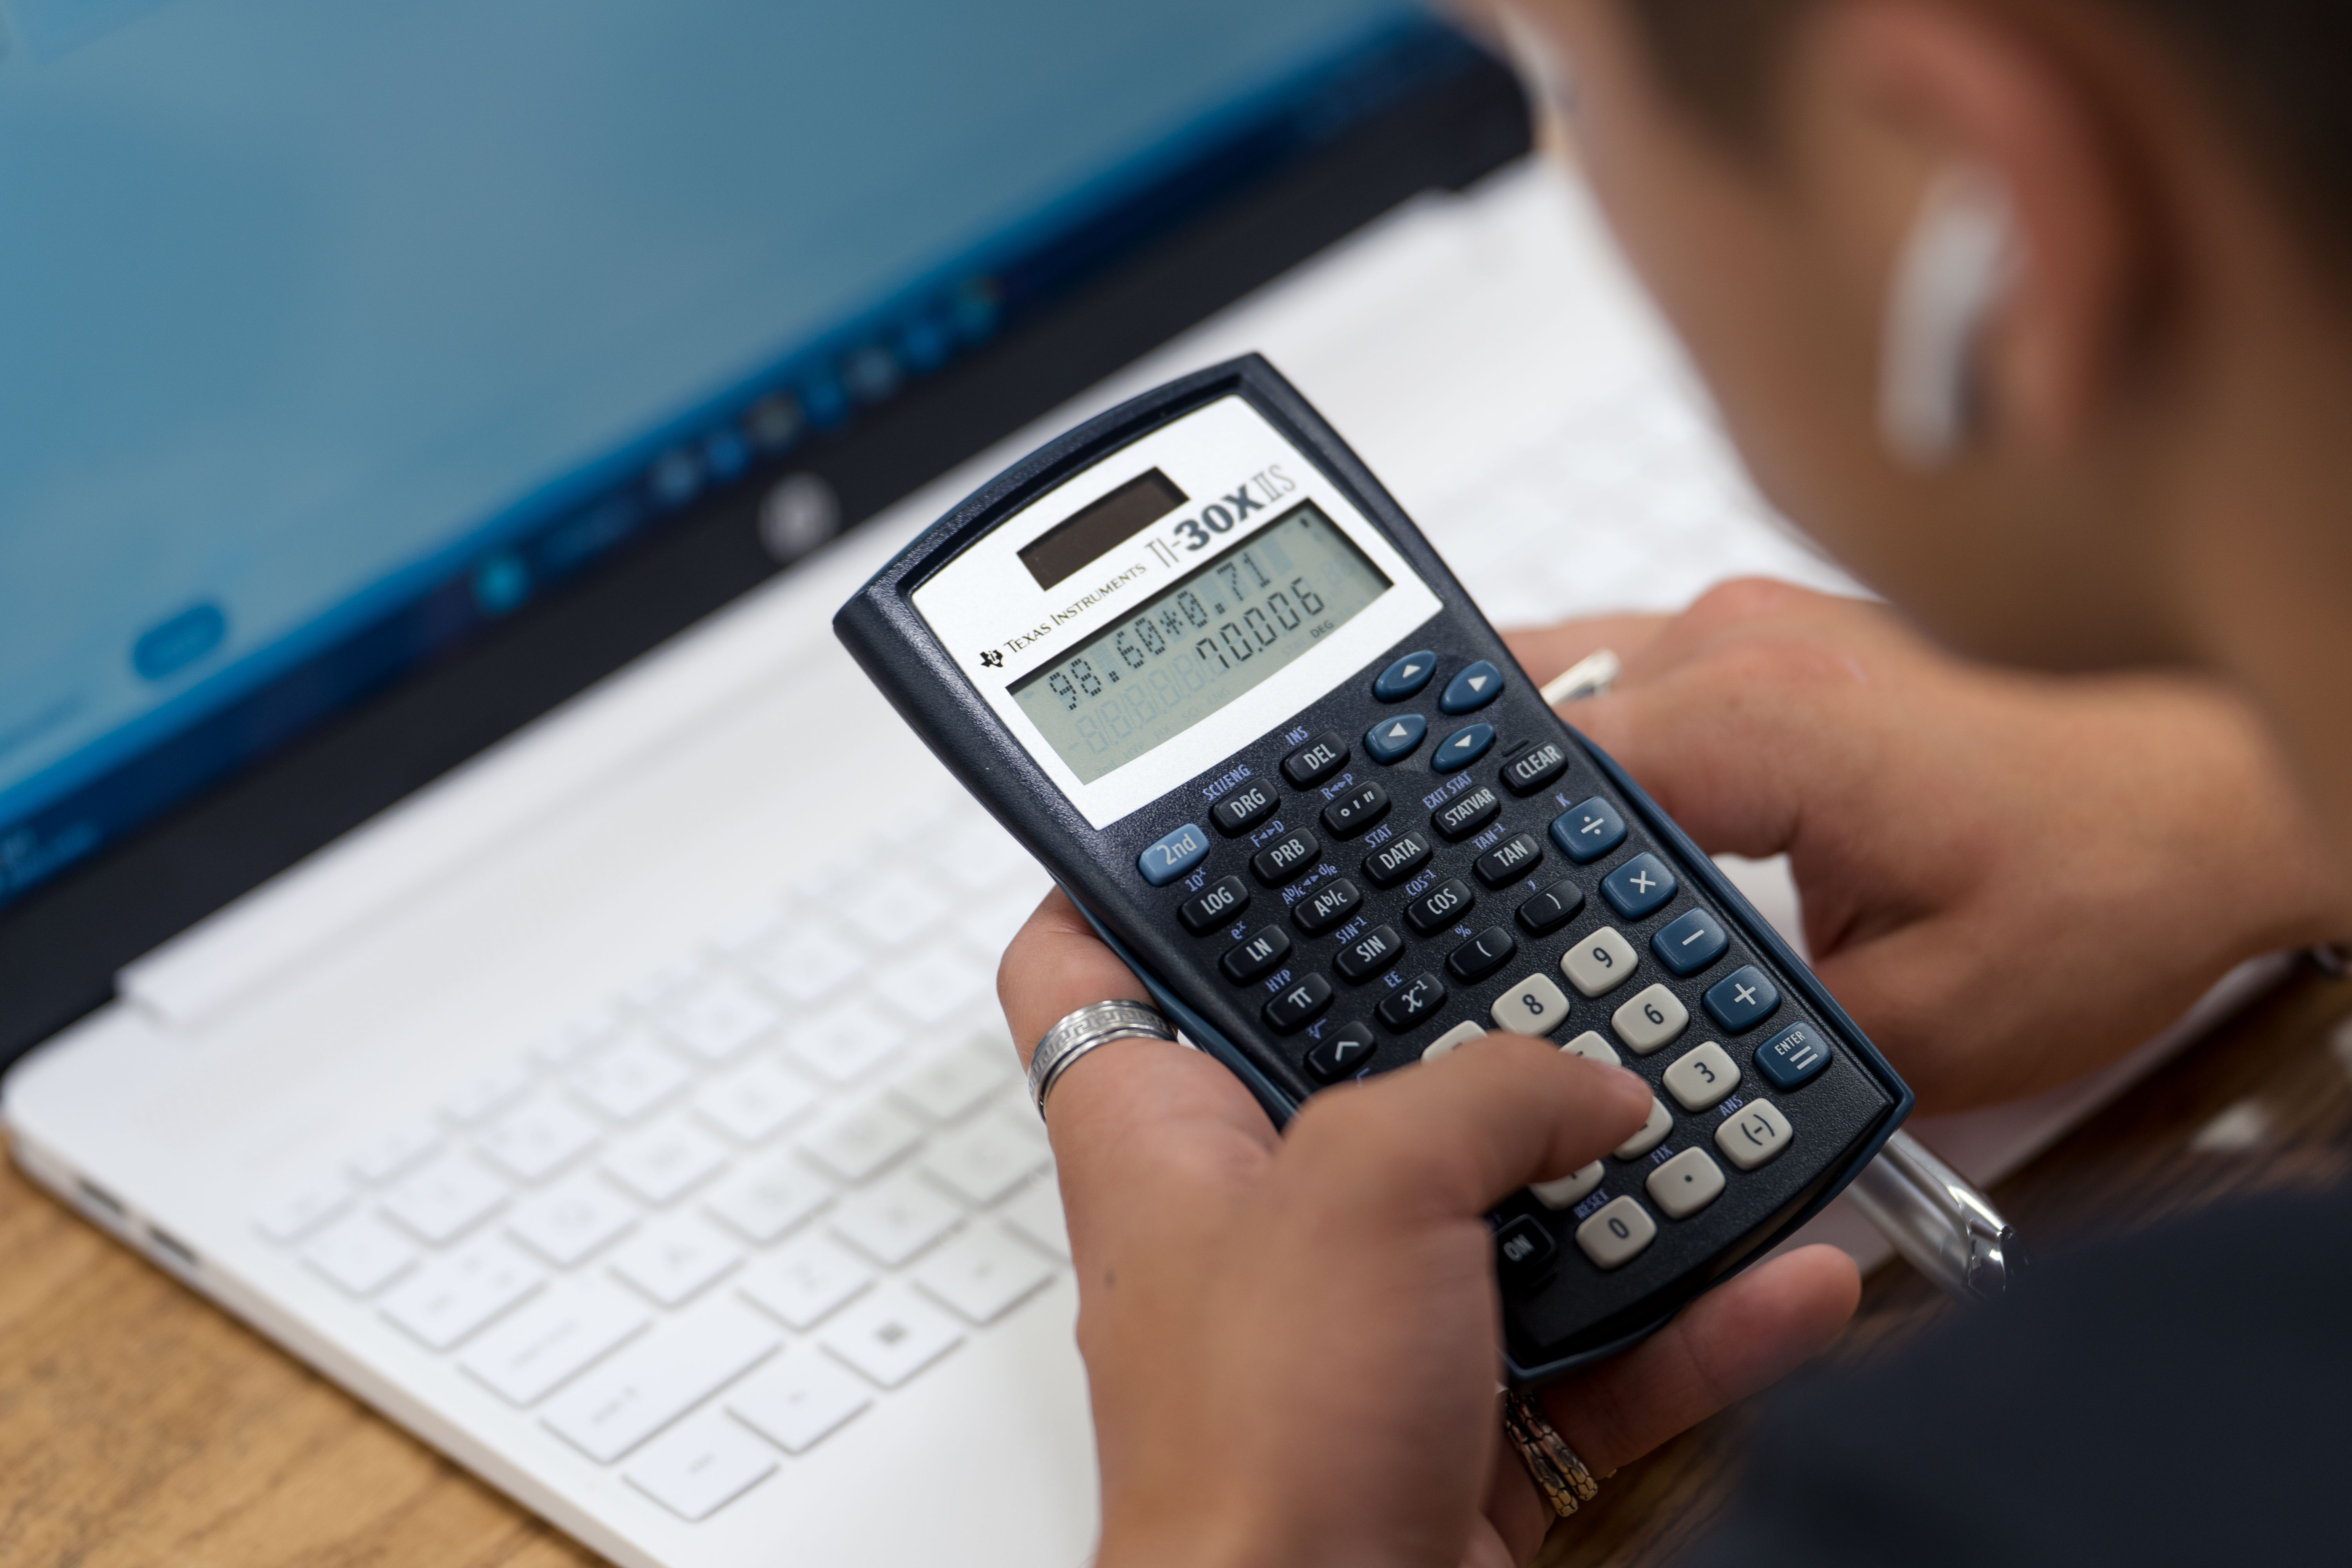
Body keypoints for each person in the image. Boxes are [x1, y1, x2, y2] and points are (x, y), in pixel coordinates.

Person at [995, 0, 2352, 1562]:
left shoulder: (1995, 1487)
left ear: (1988, 205)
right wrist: (2260, 800)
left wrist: (1226, 1529)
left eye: (1569, 89)